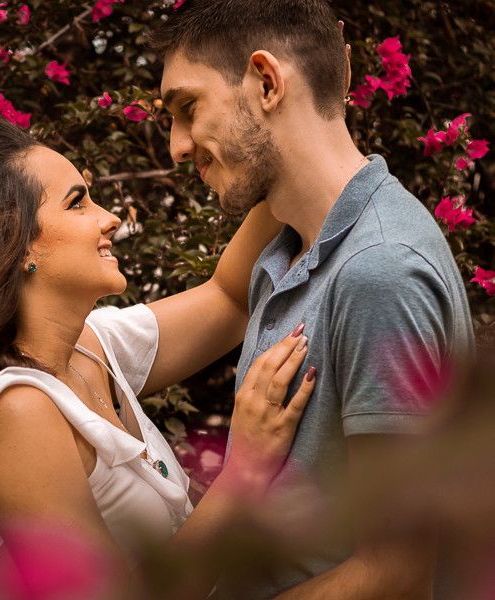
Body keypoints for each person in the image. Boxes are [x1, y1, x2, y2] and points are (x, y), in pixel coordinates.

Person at [0, 114, 316, 599]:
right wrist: (245, 472)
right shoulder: (15, 412)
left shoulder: (90, 347)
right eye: (77, 202)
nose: (109, 217)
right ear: (13, 242)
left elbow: (229, 298)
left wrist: (299, 126)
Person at [148, 1, 475, 598]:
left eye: (187, 109)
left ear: (267, 81)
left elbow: (394, 575)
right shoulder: (291, 245)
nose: (177, 146)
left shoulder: (379, 271)